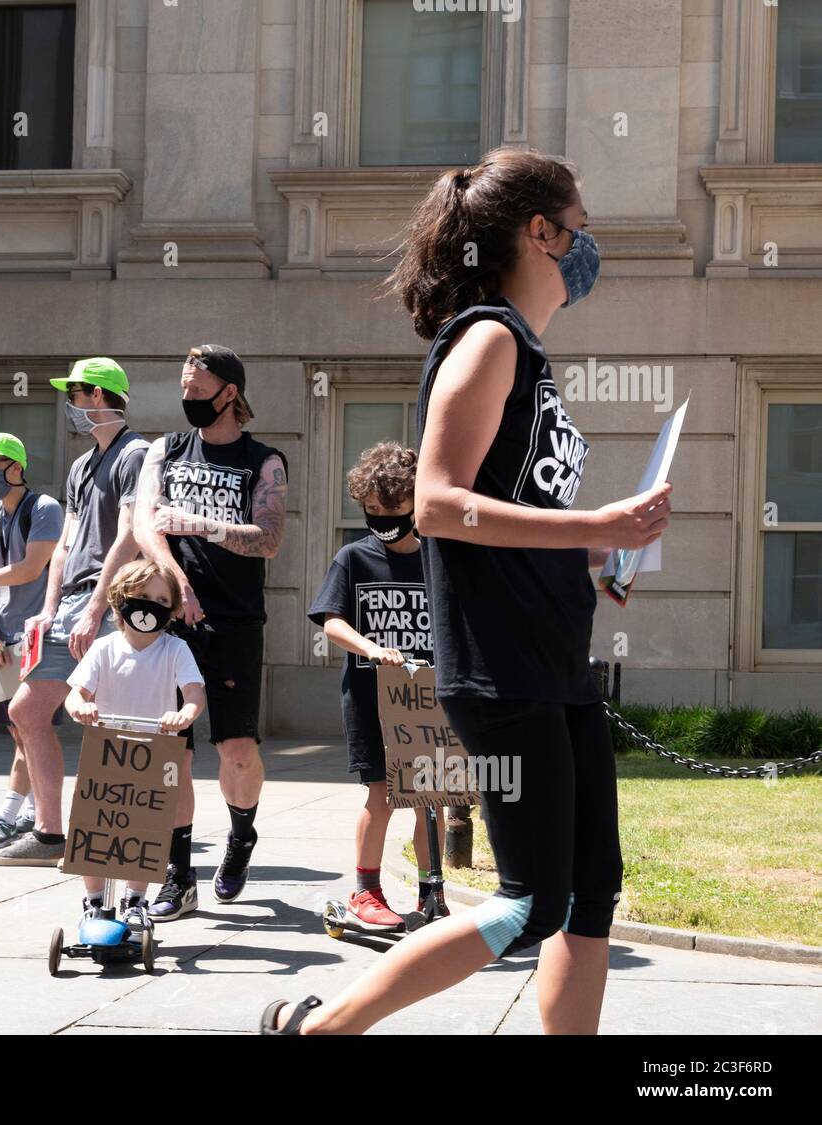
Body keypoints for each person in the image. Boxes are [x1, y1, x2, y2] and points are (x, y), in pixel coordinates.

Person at [261, 148, 672, 1035]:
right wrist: (599, 524)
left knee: (588, 892)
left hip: (554, 662)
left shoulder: (525, 353)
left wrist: (595, 560)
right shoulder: (488, 338)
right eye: (583, 230)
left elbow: (513, 513)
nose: (589, 248)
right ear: (541, 233)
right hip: (499, 672)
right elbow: (440, 503)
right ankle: (321, 1027)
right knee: (530, 901)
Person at [132, 346, 287, 918]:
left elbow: (268, 538)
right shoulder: (163, 451)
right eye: (183, 390)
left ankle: (241, 834)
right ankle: (179, 872)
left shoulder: (264, 461)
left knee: (237, 750)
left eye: (198, 390)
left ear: (230, 392)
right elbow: (147, 524)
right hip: (169, 620)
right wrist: (179, 584)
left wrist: (200, 523)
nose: (188, 399)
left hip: (235, 623)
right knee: (171, 749)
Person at [0, 358, 149, 867]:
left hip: (116, 600)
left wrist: (98, 603)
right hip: (73, 604)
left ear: (98, 396)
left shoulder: (136, 454)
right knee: (26, 711)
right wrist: (49, 609)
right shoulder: (81, 466)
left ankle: (119, 839)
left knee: (115, 724)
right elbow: (65, 545)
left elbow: (128, 535)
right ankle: (49, 834)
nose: (71, 405)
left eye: (75, 394)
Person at [307, 441, 446, 934]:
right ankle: (366, 889)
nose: (382, 521)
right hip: (371, 697)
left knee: (432, 796)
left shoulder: (439, 559)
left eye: (393, 511)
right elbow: (331, 620)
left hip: (429, 700)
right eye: (371, 512)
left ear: (416, 505)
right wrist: (369, 648)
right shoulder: (354, 558)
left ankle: (433, 891)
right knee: (382, 793)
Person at [64, 560, 205, 930]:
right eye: (142, 597)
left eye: (160, 599)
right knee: (94, 828)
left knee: (142, 832)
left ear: (172, 609)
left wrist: (185, 714)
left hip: (153, 752)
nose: (150, 605)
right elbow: (76, 692)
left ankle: (135, 902)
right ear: (120, 601)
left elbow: (194, 692)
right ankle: (93, 903)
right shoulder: (104, 649)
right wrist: (81, 706)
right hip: (106, 750)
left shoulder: (175, 650)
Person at [0, 431, 64, 850]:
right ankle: (29, 811)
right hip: (1, 638)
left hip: (41, 636)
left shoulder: (44, 508)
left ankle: (14, 814)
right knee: (17, 730)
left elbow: (31, 569)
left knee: (30, 725)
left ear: (16, 467)